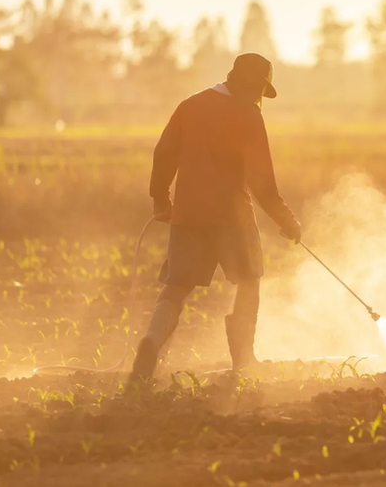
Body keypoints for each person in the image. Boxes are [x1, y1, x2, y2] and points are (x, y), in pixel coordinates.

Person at [129, 52, 301, 384]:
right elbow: (262, 182)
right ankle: (244, 361)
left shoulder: (190, 105)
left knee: (176, 288)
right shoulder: (248, 116)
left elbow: (164, 152)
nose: (257, 97)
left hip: (188, 214)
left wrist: (161, 199)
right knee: (249, 281)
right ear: (249, 85)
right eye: (257, 90)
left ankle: (150, 342)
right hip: (232, 215)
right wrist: (287, 220)